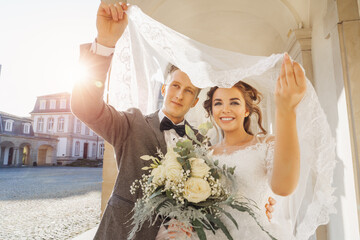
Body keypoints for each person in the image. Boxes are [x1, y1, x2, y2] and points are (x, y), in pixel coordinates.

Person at [72, 2, 276, 239]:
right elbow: (84, 107)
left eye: (188, 91)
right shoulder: (130, 124)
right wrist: (105, 43)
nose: (179, 95)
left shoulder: (203, 145)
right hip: (126, 233)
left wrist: (258, 205)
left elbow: (219, 194)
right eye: (175, 86)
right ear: (163, 90)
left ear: (194, 101)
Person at [197, 53, 307, 239]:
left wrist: (286, 110)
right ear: (211, 111)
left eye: (234, 102)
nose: (225, 109)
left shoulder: (265, 144)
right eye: (218, 103)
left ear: (246, 110)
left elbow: (283, 187)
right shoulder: (204, 155)